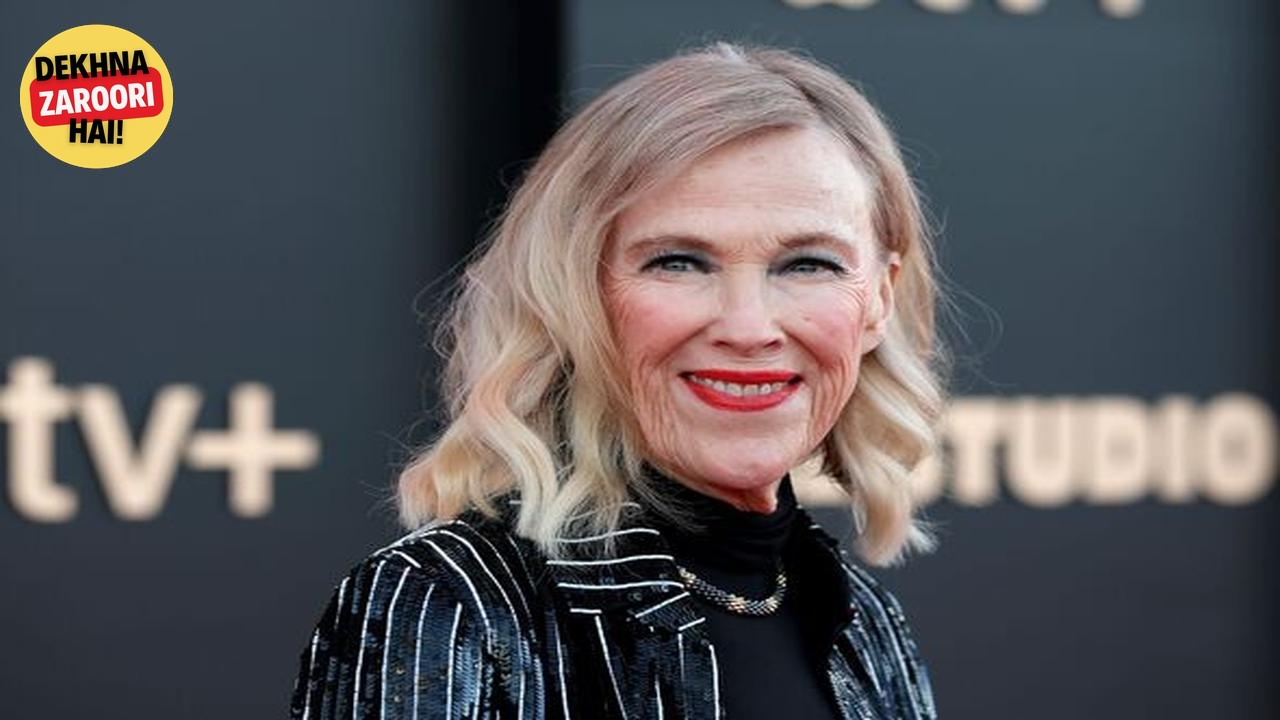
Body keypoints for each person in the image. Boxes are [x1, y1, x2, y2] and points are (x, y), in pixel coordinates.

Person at [290, 41, 948, 720]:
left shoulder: (867, 624)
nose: (749, 327)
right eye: (679, 262)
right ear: (577, 293)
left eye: (809, 264)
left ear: (880, 299)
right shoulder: (451, 606)